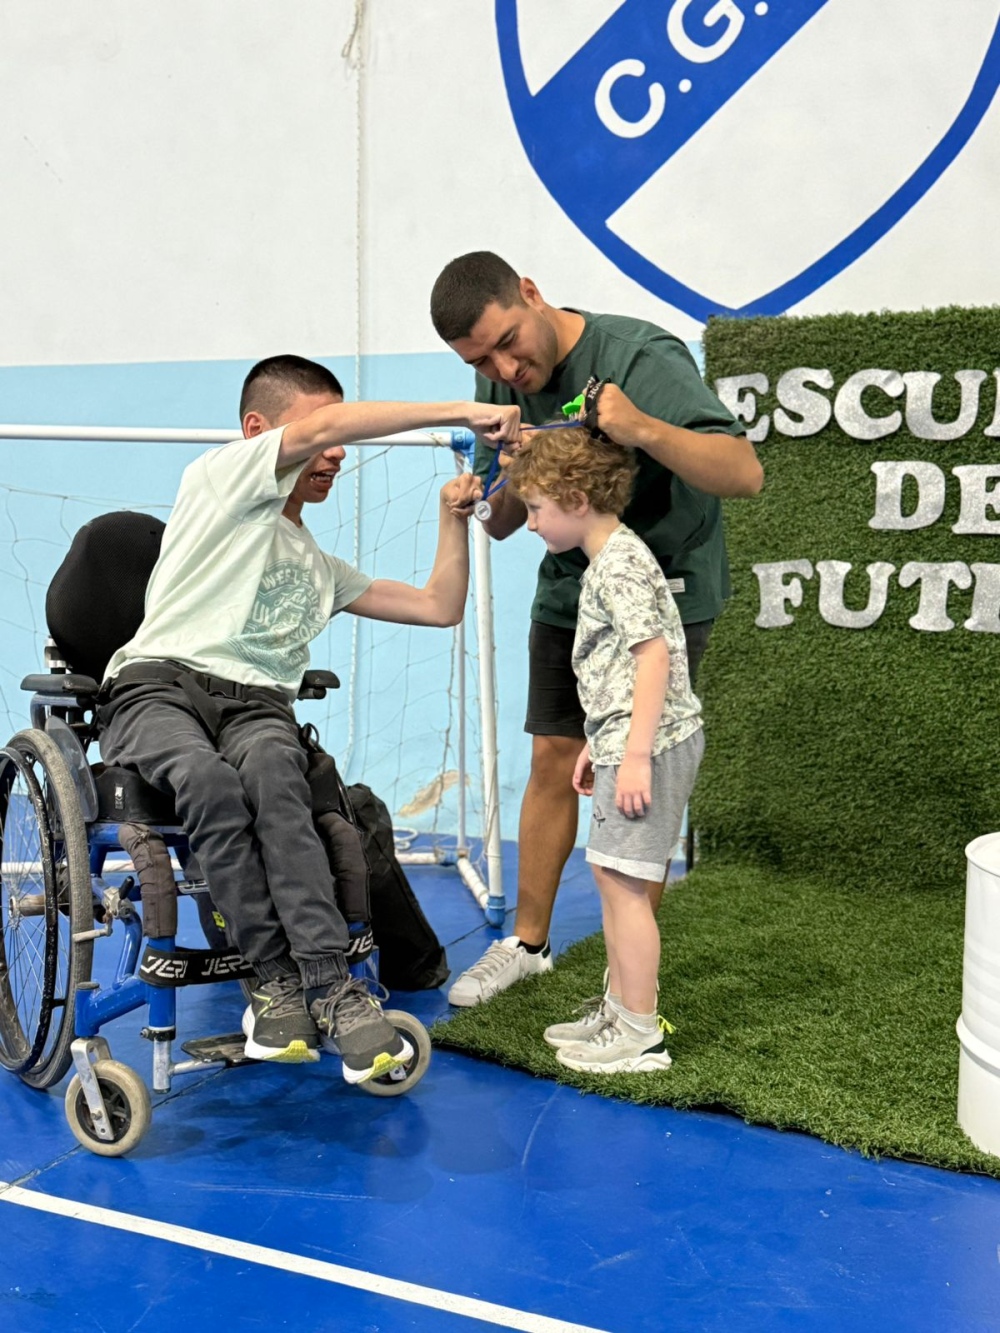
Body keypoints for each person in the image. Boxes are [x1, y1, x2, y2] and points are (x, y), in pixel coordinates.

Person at [99, 354, 517, 1077]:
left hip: (258, 707)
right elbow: (324, 428)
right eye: (319, 436)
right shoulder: (218, 480)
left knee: (277, 773)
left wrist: (454, 517)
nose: (336, 454)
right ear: (258, 432)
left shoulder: (318, 566)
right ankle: (273, 982)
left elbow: (439, 606)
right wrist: (459, 410)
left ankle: (331, 988)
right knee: (207, 779)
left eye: (338, 442)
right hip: (159, 688)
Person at [429, 251, 761, 1007]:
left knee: (635, 787)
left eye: (509, 343)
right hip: (572, 593)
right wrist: (504, 472)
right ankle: (527, 943)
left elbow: (743, 472)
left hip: (663, 592)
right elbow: (507, 522)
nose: (505, 368)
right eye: (481, 360)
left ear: (533, 293)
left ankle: (628, 988)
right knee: (555, 754)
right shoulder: (497, 381)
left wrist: (641, 427)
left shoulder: (640, 356)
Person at [506, 424, 704, 1071]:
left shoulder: (618, 561)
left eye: (536, 508)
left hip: (650, 742)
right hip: (625, 737)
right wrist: (601, 742)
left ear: (574, 496)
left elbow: (653, 659)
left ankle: (638, 1027)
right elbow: (622, 664)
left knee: (624, 882)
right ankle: (621, 1009)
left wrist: (637, 753)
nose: (531, 524)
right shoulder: (611, 557)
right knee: (613, 873)